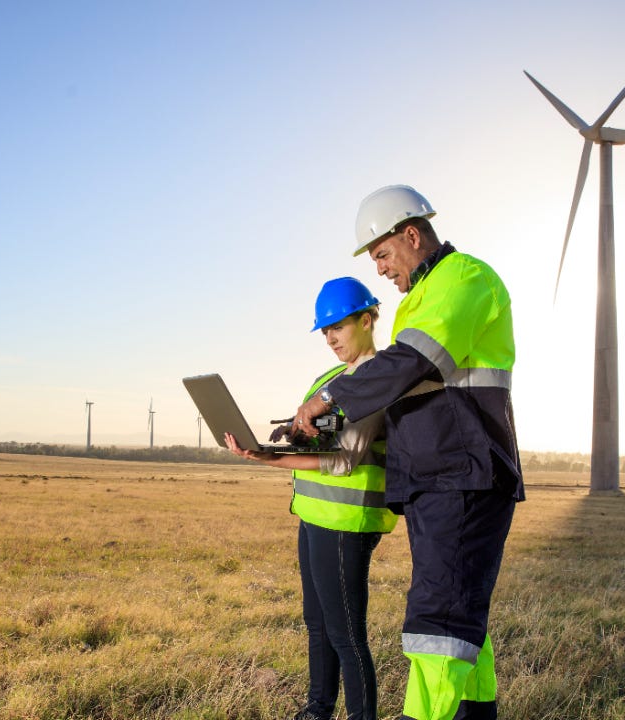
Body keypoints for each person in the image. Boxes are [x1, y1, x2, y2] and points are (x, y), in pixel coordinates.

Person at [290, 185, 524, 720]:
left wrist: (331, 395)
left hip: (461, 476)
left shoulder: (463, 278)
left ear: (411, 234)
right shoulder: (422, 299)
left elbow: (410, 362)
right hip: (436, 479)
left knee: (437, 627)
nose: (381, 270)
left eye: (382, 255)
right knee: (464, 625)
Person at [224, 276, 397, 720]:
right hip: (314, 516)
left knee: (346, 635)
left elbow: (346, 460)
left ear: (366, 318)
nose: (330, 338)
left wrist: (268, 461)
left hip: (345, 523)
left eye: (337, 326)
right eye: (324, 331)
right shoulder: (332, 378)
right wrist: (279, 443)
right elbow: (317, 441)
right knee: (318, 624)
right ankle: (317, 710)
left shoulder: (375, 377)